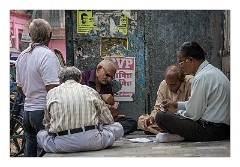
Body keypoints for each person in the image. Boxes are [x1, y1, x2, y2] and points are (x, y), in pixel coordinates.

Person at [155, 41, 230, 142]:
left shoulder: (201, 77)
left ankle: (181, 135)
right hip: (223, 129)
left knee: (161, 117)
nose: (181, 67)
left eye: (181, 62)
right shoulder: (213, 71)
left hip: (211, 130)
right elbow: (199, 105)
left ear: (190, 60)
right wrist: (177, 104)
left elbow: (193, 114)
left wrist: (177, 113)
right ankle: (180, 134)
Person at [37, 66, 124, 153]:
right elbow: (108, 120)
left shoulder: (52, 93)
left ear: (60, 80)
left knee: (41, 135)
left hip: (63, 145)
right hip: (93, 141)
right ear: (80, 78)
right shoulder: (90, 91)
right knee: (118, 127)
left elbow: (47, 124)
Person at [16, 18, 61, 156]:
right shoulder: (48, 56)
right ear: (50, 35)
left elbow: (19, 88)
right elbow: (52, 89)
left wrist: (31, 97)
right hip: (42, 112)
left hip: (28, 112)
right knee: (44, 152)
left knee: (31, 149)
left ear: (30, 35)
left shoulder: (22, 56)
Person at [81, 58, 138, 135]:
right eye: (107, 75)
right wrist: (101, 97)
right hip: (86, 118)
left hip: (101, 120)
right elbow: (78, 98)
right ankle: (103, 132)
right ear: (98, 69)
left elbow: (106, 109)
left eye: (111, 77)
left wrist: (113, 114)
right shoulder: (83, 77)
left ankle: (100, 132)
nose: (108, 79)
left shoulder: (107, 86)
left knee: (131, 123)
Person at [138, 64, 193, 135]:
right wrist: (152, 117)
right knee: (142, 120)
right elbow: (158, 108)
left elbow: (193, 108)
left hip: (182, 119)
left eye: (173, 85)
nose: (170, 87)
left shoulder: (190, 83)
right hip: (166, 119)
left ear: (181, 80)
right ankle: (167, 131)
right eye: (168, 84)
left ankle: (158, 130)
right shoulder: (163, 84)